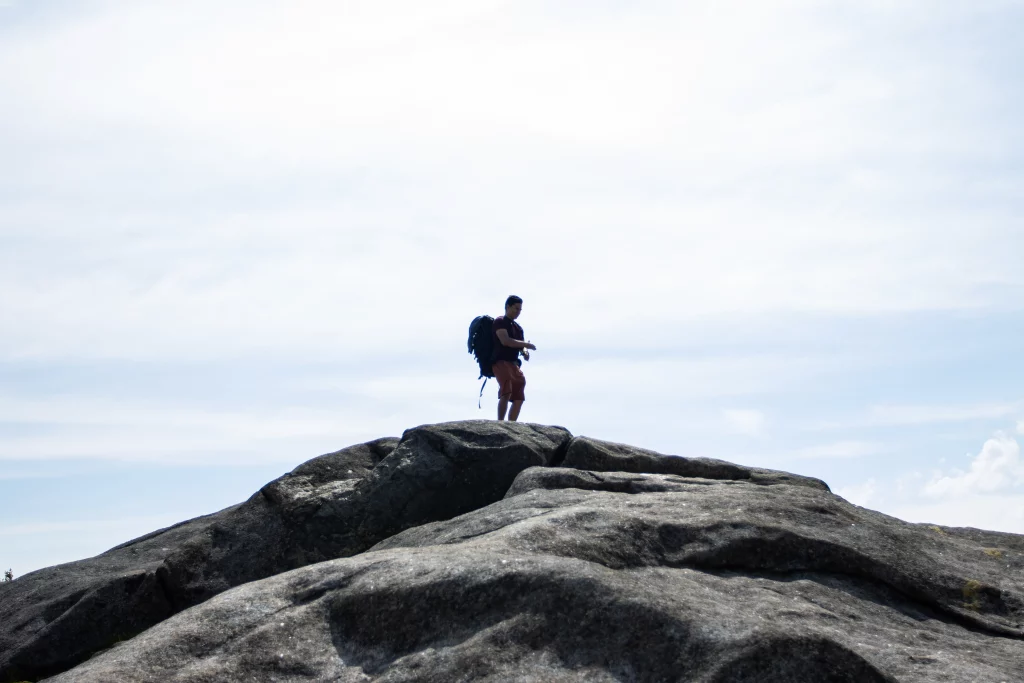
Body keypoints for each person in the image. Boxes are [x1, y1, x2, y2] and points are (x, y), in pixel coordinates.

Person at [492, 295, 536, 421]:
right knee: (506, 390)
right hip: (500, 362)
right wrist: (526, 345)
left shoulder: (518, 328)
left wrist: (525, 351)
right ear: (508, 307)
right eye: (516, 309)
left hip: (513, 364)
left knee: (519, 390)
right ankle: (500, 422)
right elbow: (506, 341)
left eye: (520, 310)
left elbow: (521, 345)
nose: (518, 312)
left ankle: (511, 425)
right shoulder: (499, 321)